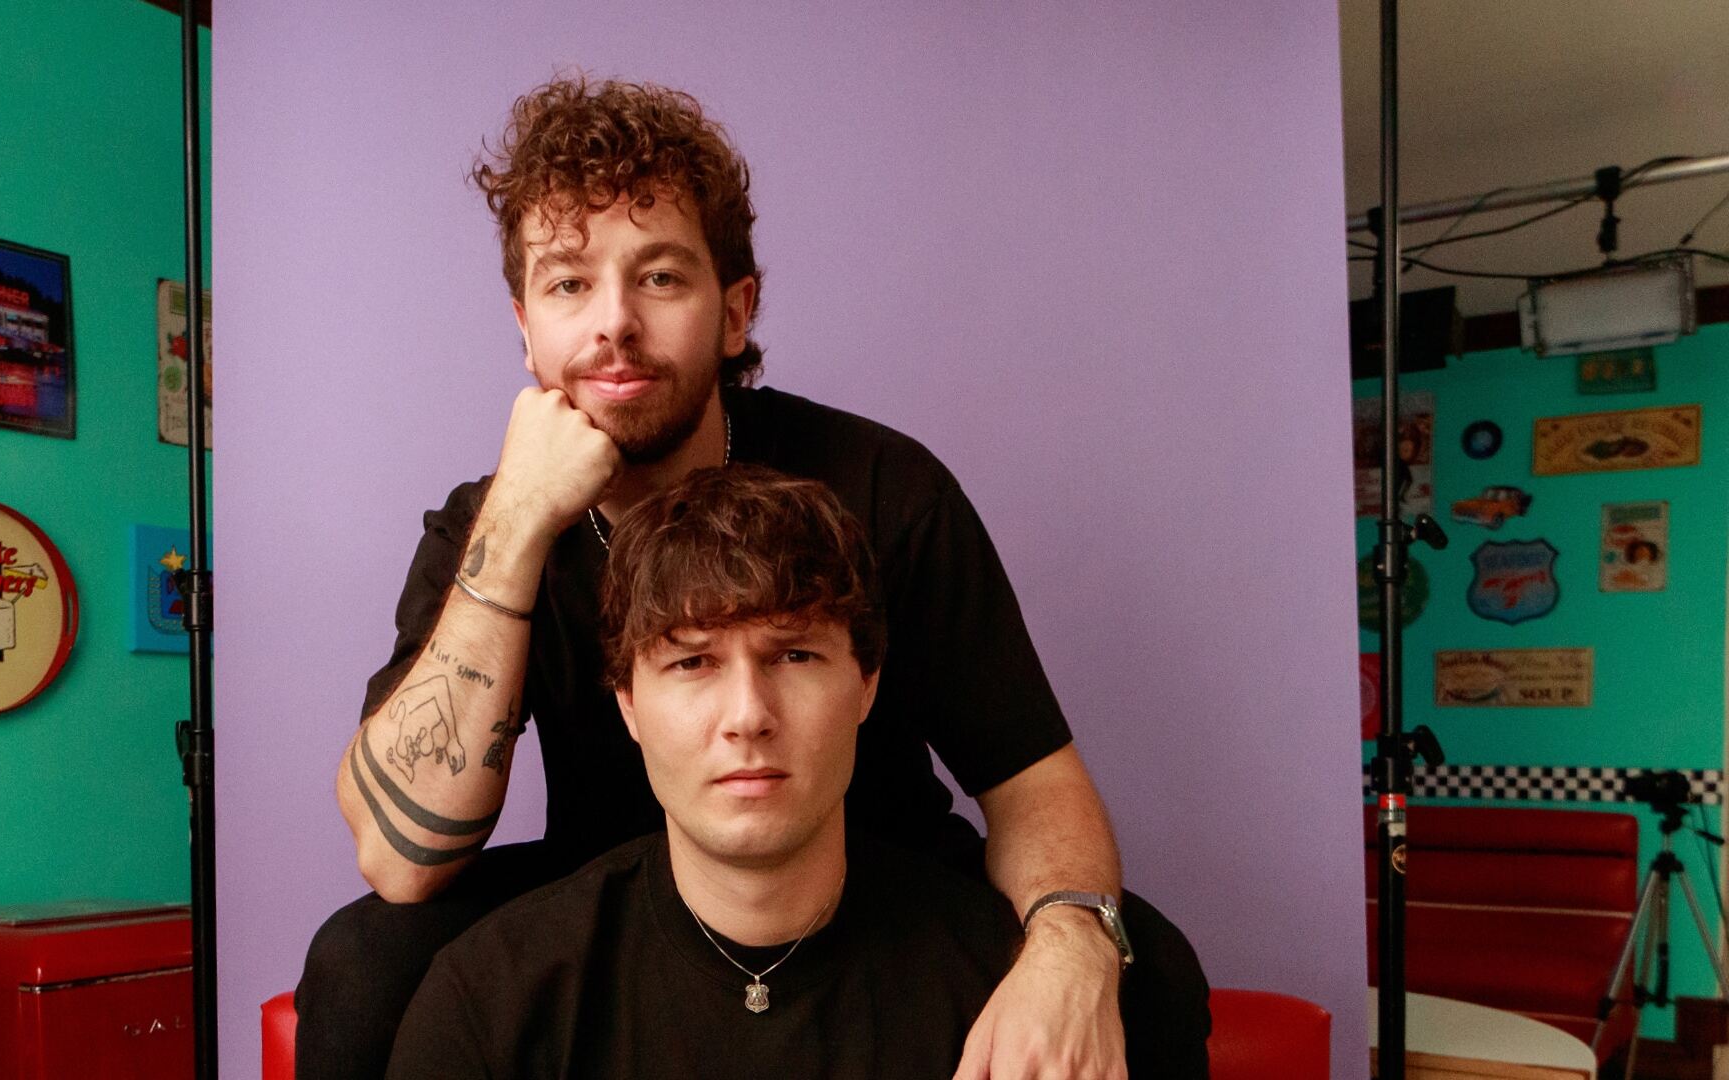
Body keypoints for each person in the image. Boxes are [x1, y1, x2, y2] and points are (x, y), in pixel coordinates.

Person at [299, 74, 1209, 1080]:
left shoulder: (883, 488)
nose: (613, 325)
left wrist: (1073, 946)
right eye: (569, 284)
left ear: (736, 312)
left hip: (871, 879)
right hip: (609, 887)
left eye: (660, 278)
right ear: (524, 326)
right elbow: (398, 860)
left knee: (1148, 970)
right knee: (362, 965)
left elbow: (1036, 785)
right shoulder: (488, 524)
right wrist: (516, 527)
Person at [386, 465, 1029, 1078]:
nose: (748, 716)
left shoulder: (1014, 988)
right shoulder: (494, 1005)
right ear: (629, 704)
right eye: (693, 663)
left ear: (866, 684)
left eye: (795, 654)